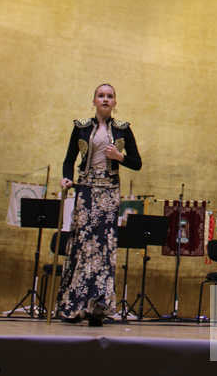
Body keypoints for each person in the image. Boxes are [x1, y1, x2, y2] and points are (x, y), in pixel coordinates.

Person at [56, 83, 142, 323]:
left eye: (109, 96)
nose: (105, 99)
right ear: (93, 100)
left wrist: (119, 157)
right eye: (101, 96)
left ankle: (98, 307)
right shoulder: (81, 127)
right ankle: (75, 305)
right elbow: (69, 159)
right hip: (85, 189)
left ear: (115, 102)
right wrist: (67, 178)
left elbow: (137, 163)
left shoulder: (123, 129)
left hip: (109, 192)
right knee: (83, 244)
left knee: (103, 247)